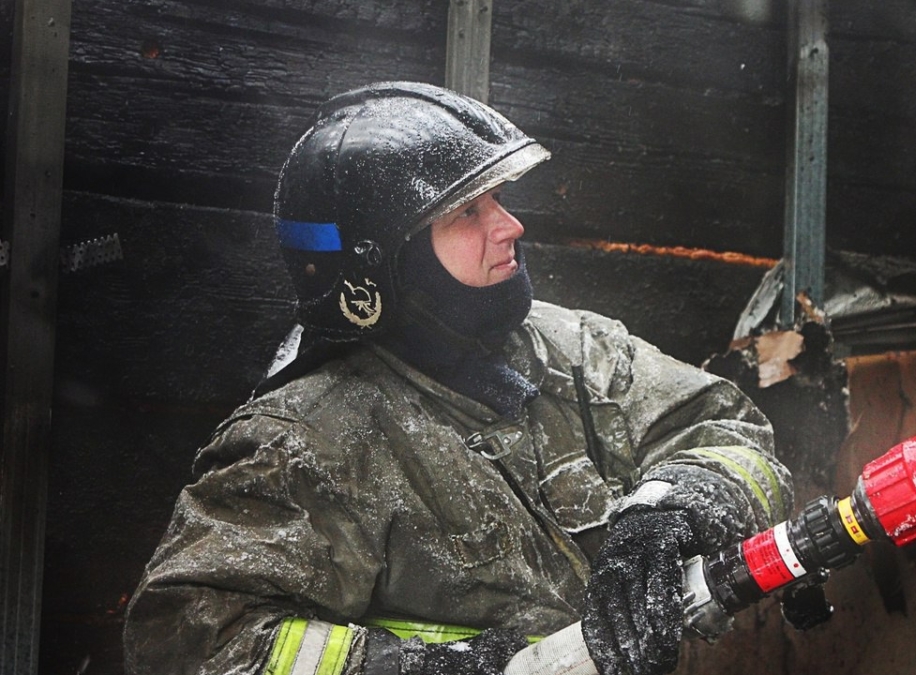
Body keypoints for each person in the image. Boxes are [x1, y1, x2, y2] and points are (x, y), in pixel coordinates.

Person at [123, 82, 794, 675]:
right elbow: (188, 640)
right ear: (384, 265)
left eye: (497, 199)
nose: (510, 226)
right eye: (466, 213)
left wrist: (669, 511)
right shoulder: (305, 441)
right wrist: (428, 668)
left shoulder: (573, 347)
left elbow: (727, 428)